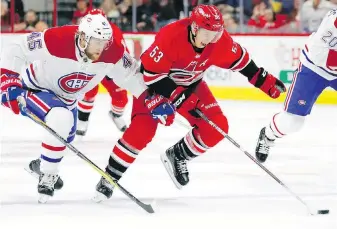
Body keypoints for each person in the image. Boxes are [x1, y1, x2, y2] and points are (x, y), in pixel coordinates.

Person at [93, 4, 286, 201]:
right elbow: (151, 74)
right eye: (208, 33)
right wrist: (178, 98)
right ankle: (109, 177)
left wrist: (265, 81)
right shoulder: (171, 36)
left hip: (190, 86)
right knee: (142, 131)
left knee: (217, 126)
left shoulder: (219, 41)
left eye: (216, 34)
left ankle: (177, 156)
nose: (212, 39)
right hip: (151, 87)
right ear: (194, 28)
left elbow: (243, 62)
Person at [0, 9, 146, 203]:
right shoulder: (58, 38)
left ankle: (42, 166)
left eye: (103, 43)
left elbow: (132, 77)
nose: (100, 48)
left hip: (67, 100)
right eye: (96, 42)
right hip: (35, 87)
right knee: (61, 119)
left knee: (63, 136)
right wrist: (8, 78)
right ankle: (47, 177)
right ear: (83, 37)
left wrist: (153, 99)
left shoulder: (114, 51)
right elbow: (18, 47)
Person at [255, 9, 337, 163]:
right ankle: (268, 134)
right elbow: (321, 55)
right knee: (292, 122)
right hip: (314, 68)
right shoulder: (332, 22)